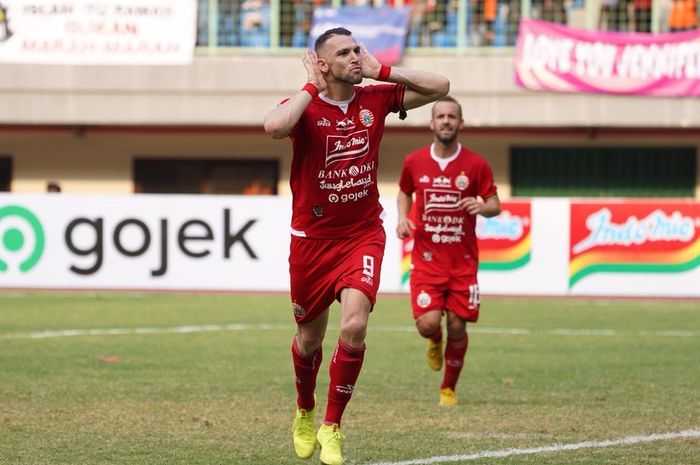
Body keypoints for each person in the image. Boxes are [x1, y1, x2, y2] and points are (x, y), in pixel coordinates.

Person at [263, 27, 449, 465]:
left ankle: (332, 426)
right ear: (322, 63)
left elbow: (441, 87)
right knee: (309, 339)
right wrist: (310, 85)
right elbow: (274, 126)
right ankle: (304, 410)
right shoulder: (306, 107)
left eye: (357, 49)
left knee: (353, 325)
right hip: (311, 242)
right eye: (343, 53)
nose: (355, 57)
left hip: (362, 235)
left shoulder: (375, 99)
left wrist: (381, 69)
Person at [396, 96, 500, 407]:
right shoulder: (414, 161)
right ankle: (434, 341)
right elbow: (404, 191)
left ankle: (448, 389)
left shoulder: (476, 164)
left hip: (463, 263)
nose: (446, 121)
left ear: (460, 123)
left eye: (451, 117)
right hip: (426, 261)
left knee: (457, 324)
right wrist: (403, 217)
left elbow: (495, 204)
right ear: (431, 123)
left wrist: (482, 207)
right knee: (428, 324)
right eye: (440, 116)